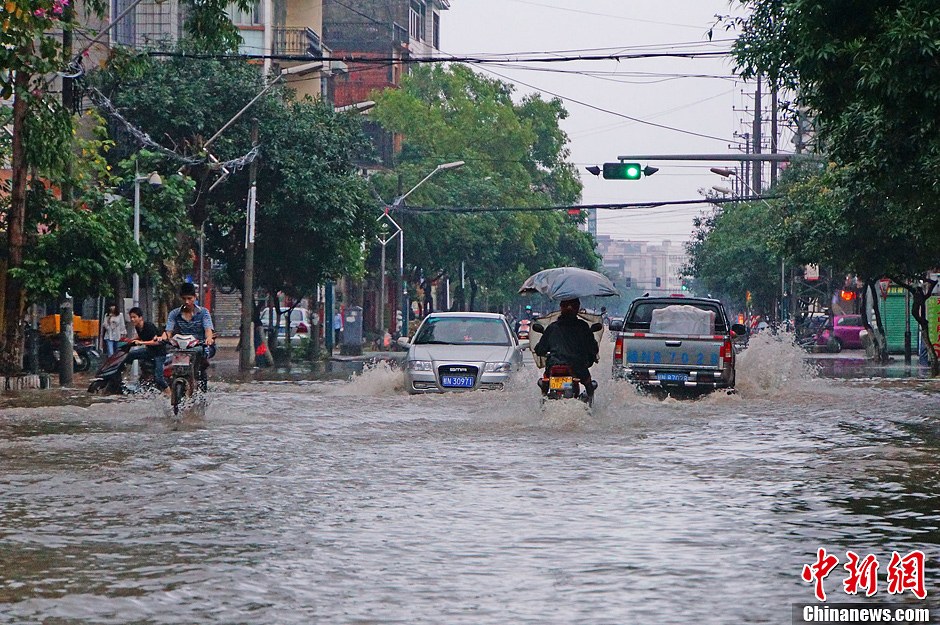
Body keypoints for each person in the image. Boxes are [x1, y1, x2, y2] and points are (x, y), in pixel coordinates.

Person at [534, 298, 600, 396]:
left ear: (561, 308)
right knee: (589, 385)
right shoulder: (583, 327)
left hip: (554, 364)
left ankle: (543, 400)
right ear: (577, 309)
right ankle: (590, 404)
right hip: (577, 366)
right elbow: (593, 348)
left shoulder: (552, 328)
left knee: (545, 384)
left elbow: (540, 350)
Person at [163, 282, 216, 359]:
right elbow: (168, 331)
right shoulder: (174, 314)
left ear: (195, 297)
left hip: (199, 346)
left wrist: (208, 338)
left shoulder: (204, 312)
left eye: (189, 298)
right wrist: (163, 338)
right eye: (184, 299)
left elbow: (208, 329)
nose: (186, 302)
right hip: (180, 346)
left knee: (205, 352)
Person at [125, 307, 168, 393]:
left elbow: (156, 342)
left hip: (159, 354)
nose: (132, 319)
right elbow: (141, 336)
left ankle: (169, 394)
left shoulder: (149, 326)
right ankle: (125, 375)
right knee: (130, 355)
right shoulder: (138, 327)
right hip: (149, 351)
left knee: (159, 378)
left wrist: (142, 343)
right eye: (131, 317)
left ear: (140, 317)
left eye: (134, 317)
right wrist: (131, 341)